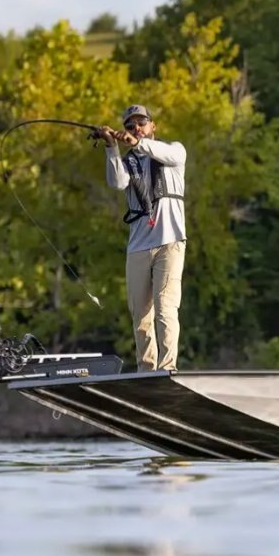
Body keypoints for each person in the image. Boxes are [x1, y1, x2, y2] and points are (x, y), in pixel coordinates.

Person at [99, 104, 188, 372]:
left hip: (169, 241)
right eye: (129, 125)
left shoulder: (174, 150)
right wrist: (110, 147)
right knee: (140, 315)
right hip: (138, 246)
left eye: (141, 123)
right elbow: (117, 182)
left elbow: (163, 153)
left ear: (153, 126)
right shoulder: (129, 161)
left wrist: (137, 143)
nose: (136, 128)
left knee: (165, 307)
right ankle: (146, 371)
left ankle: (167, 368)